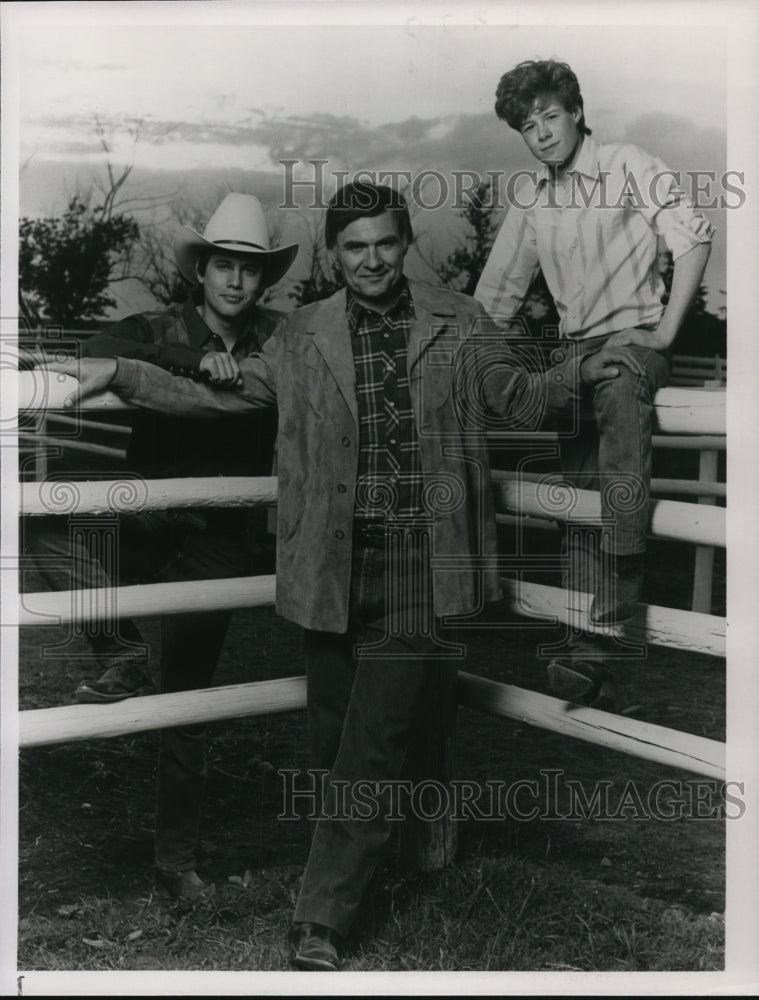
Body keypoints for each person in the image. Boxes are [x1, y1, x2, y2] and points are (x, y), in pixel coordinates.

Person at [45, 181, 646, 968]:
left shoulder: (458, 321)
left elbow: (520, 399)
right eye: (354, 247)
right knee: (333, 740)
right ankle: (405, 865)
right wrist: (123, 373)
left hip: (422, 564)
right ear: (335, 255)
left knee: (371, 737)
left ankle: (320, 916)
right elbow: (215, 400)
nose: (370, 260)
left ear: (405, 245)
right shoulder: (301, 336)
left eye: (384, 244)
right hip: (329, 560)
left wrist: (587, 367)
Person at [25, 192, 298, 900]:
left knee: (189, 701)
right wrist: (189, 359)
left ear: (263, 279)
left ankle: (175, 858)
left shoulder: (281, 340)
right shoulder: (159, 325)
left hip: (221, 544)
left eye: (249, 269)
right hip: (147, 519)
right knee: (47, 517)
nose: (235, 282)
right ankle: (118, 649)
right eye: (223, 267)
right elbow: (98, 353)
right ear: (201, 270)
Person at [474, 59, 714, 709]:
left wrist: (663, 336)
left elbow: (692, 239)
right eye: (528, 125)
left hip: (632, 339)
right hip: (572, 353)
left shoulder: (629, 164)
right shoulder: (532, 199)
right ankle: (586, 645)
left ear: (576, 111)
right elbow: (494, 297)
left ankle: (613, 607)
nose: (542, 133)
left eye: (550, 115)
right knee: (574, 487)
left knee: (618, 407)